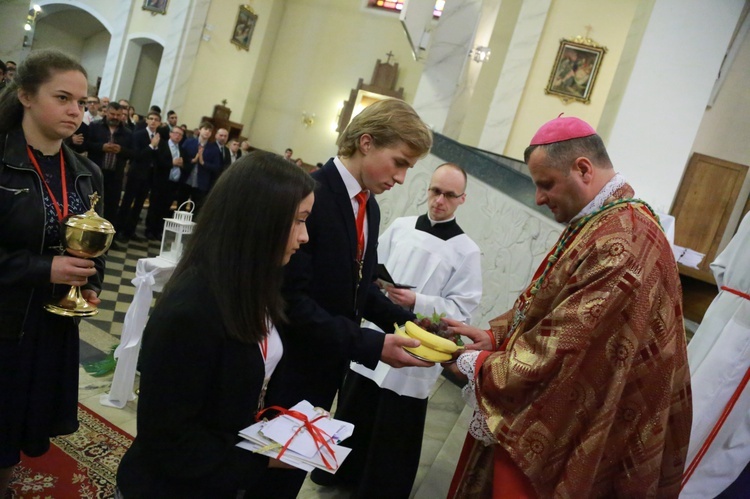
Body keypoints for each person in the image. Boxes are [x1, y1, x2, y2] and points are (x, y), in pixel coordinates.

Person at [445, 116, 692, 497]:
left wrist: (477, 365)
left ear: (583, 168)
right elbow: (554, 297)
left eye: (545, 185)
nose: (539, 199)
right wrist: (497, 334)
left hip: (587, 429)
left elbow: (563, 347)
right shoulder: (604, 219)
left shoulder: (623, 241)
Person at [116, 151, 315, 497]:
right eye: (298, 220)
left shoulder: (252, 284)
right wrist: (267, 457)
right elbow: (170, 442)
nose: (305, 236)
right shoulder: (192, 309)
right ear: (259, 220)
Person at [278, 98, 434, 495]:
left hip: (326, 367)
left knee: (290, 475)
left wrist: (411, 325)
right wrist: (373, 344)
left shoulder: (370, 207)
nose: (401, 178)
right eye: (399, 162)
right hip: (289, 367)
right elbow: (291, 302)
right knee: (268, 478)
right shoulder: (312, 194)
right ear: (366, 143)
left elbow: (359, 288)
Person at [338, 162, 482, 497]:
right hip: (378, 332)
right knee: (356, 405)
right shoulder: (401, 227)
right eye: (434, 191)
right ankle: (339, 475)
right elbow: (370, 267)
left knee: (393, 425)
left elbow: (462, 310)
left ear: (462, 199)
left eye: (449, 195)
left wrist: (417, 300)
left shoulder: (467, 251)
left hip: (418, 347)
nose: (439, 201)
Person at [0, 49, 105, 497]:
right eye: (63, 98)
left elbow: (97, 239)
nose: (75, 111)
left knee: (19, 420)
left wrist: (91, 281)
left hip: (49, 322)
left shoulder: (87, 173)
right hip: (4, 319)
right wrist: (47, 267)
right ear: (25, 95)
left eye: (82, 102)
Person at [681, 212, 750, 498]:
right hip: (741, 336)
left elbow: (721, 267)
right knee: (710, 435)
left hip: (724, 314)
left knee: (690, 409)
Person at [86, 101, 133, 223]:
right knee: (91, 205)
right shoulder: (94, 126)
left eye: (118, 115)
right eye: (112, 114)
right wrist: (101, 147)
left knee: (111, 208)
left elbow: (132, 153)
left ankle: (107, 238)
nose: (115, 117)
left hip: (115, 176)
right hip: (95, 173)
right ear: (106, 112)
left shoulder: (127, 132)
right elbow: (86, 145)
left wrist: (121, 150)